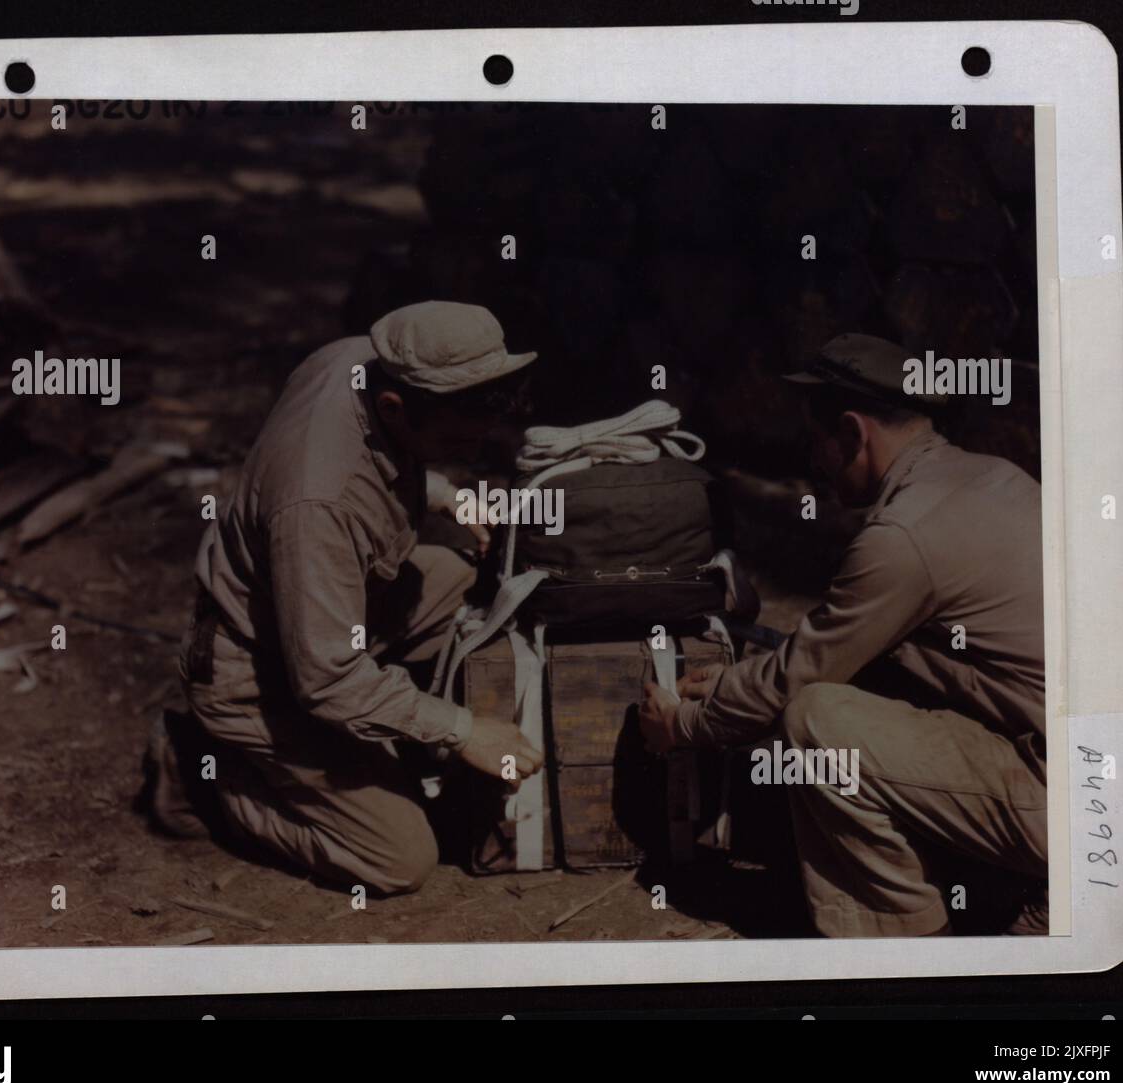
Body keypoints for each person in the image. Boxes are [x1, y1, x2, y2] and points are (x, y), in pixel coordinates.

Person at [639, 334, 1047, 937]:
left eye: (818, 442)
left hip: (1065, 807)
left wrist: (681, 727)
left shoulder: (903, 537)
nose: (815, 462)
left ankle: (902, 947)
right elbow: (850, 645)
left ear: (854, 433)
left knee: (818, 721)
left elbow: (805, 676)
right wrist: (733, 682)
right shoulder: (996, 476)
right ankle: (998, 885)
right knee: (862, 685)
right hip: (1089, 777)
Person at [157, 301, 543, 895]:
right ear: (395, 407)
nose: (474, 450)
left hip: (333, 601)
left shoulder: (361, 359)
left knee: (472, 591)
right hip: (258, 671)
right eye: (455, 442)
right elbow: (328, 679)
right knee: (400, 858)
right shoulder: (318, 505)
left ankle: (386, 744)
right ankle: (206, 774)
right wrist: (465, 731)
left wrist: (442, 493)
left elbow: (376, 456)